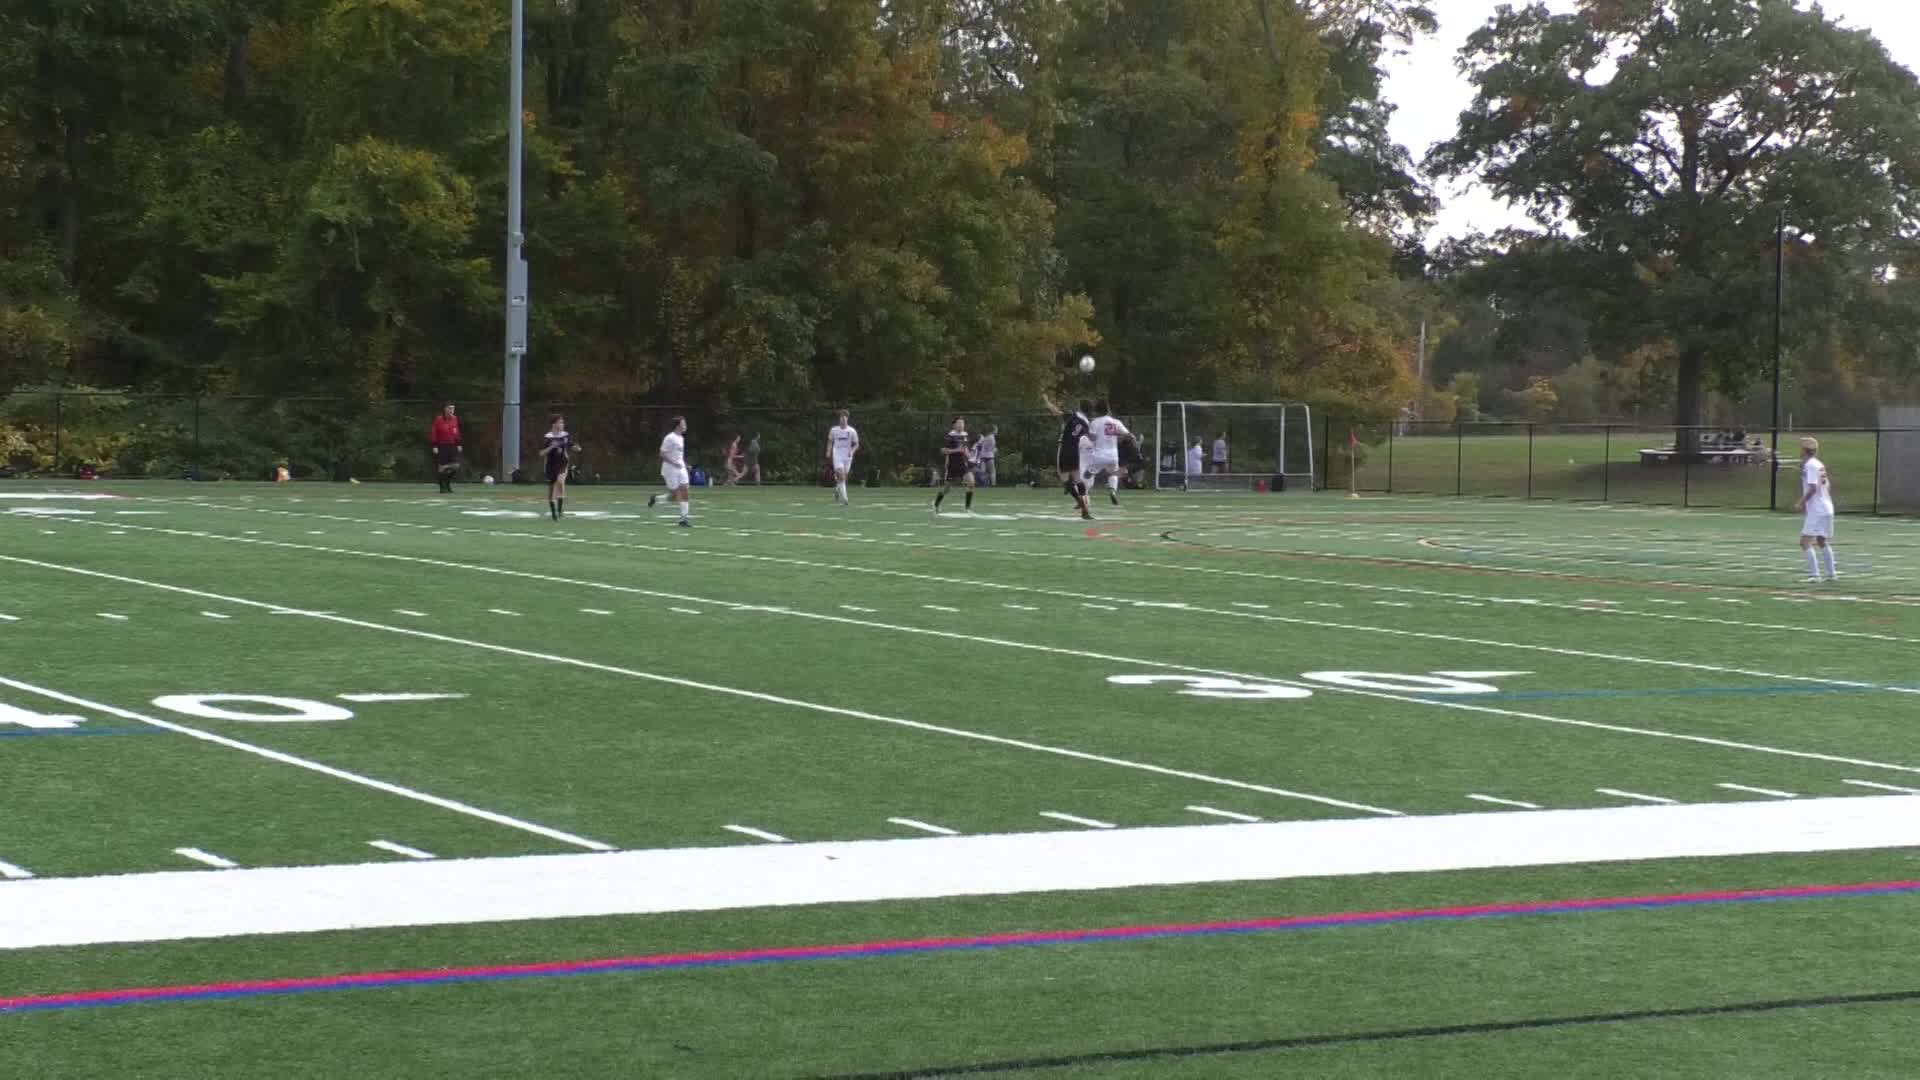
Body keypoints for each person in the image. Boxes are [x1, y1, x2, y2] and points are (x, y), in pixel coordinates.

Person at [1044, 393, 1093, 520]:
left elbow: (1056, 412)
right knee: (1078, 479)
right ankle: (1085, 506)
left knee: (1064, 479)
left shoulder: (1073, 415)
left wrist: (1046, 401)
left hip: (1064, 447)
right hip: (1075, 450)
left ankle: (1080, 502)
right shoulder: (1087, 423)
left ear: (1080, 408)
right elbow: (1090, 437)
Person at [1795, 437, 1837, 582]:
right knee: (1821, 540)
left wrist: (1801, 502)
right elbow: (1827, 486)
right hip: (1827, 507)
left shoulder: (1810, 465)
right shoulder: (1819, 464)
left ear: (1804, 450)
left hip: (1818, 509)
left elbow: (1813, 488)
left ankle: (1815, 575)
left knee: (1805, 541)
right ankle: (1831, 574)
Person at [1082, 400, 1130, 506]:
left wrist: (1087, 435)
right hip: (1113, 455)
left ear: (1096, 411)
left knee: (1087, 474)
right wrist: (1118, 437)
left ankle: (1085, 494)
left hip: (1099, 455)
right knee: (1113, 473)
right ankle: (1112, 491)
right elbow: (1127, 435)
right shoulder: (1116, 422)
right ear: (1108, 410)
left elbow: (1093, 438)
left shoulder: (1095, 422)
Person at [647, 416, 693, 527]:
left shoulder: (681, 438)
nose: (685, 425)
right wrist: (673, 463)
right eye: (684, 423)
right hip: (670, 470)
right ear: (678, 425)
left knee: (685, 491)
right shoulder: (670, 438)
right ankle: (656, 499)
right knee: (674, 495)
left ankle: (684, 519)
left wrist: (685, 465)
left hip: (681, 469)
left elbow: (679, 456)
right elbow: (662, 454)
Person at [931, 416, 976, 514]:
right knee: (947, 488)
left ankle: (967, 508)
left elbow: (965, 450)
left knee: (971, 483)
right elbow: (943, 451)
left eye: (963, 423)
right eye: (959, 423)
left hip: (963, 465)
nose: (961, 425)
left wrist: (969, 455)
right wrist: (957, 450)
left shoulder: (965, 435)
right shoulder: (950, 436)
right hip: (953, 466)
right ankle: (936, 504)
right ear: (954, 425)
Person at [537, 416, 573, 520]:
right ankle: (554, 513)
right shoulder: (547, 437)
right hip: (551, 465)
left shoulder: (566, 435)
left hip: (563, 463)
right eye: (560, 423)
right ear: (554, 424)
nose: (562, 425)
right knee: (551, 491)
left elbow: (571, 445)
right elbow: (541, 453)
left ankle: (560, 510)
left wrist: (576, 447)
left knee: (561, 482)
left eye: (562, 423)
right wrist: (551, 447)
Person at [825, 411, 861, 504]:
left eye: (845, 417)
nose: (843, 419)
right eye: (841, 417)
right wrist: (828, 451)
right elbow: (830, 441)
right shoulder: (834, 430)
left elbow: (856, 444)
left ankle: (837, 490)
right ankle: (845, 499)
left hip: (848, 456)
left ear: (847, 419)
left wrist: (852, 451)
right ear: (839, 418)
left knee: (843, 477)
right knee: (841, 475)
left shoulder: (852, 431)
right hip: (837, 455)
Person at [429, 404, 462, 494]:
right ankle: (442, 488)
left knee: (456, 466)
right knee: (441, 468)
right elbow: (434, 432)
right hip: (442, 446)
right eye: (450, 408)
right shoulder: (438, 419)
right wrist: (434, 445)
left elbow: (456, 432)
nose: (452, 410)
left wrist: (458, 443)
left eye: (453, 408)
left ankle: (447, 482)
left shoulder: (455, 418)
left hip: (452, 446)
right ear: (445, 409)